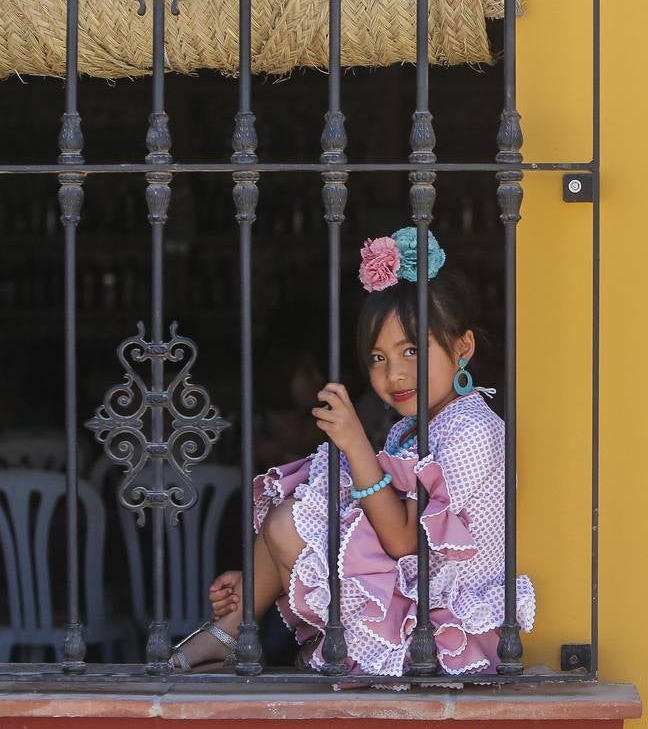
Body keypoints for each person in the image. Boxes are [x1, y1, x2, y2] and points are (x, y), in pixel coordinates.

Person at [168, 228, 536, 675]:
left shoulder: (473, 430)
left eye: (412, 351)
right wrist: (256, 580)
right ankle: (236, 620)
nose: (394, 374)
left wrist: (357, 443)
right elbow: (361, 519)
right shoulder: (415, 428)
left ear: (463, 347)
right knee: (303, 501)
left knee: (292, 521)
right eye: (378, 358)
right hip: (407, 591)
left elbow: (402, 541)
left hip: (437, 626)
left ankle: (233, 627)